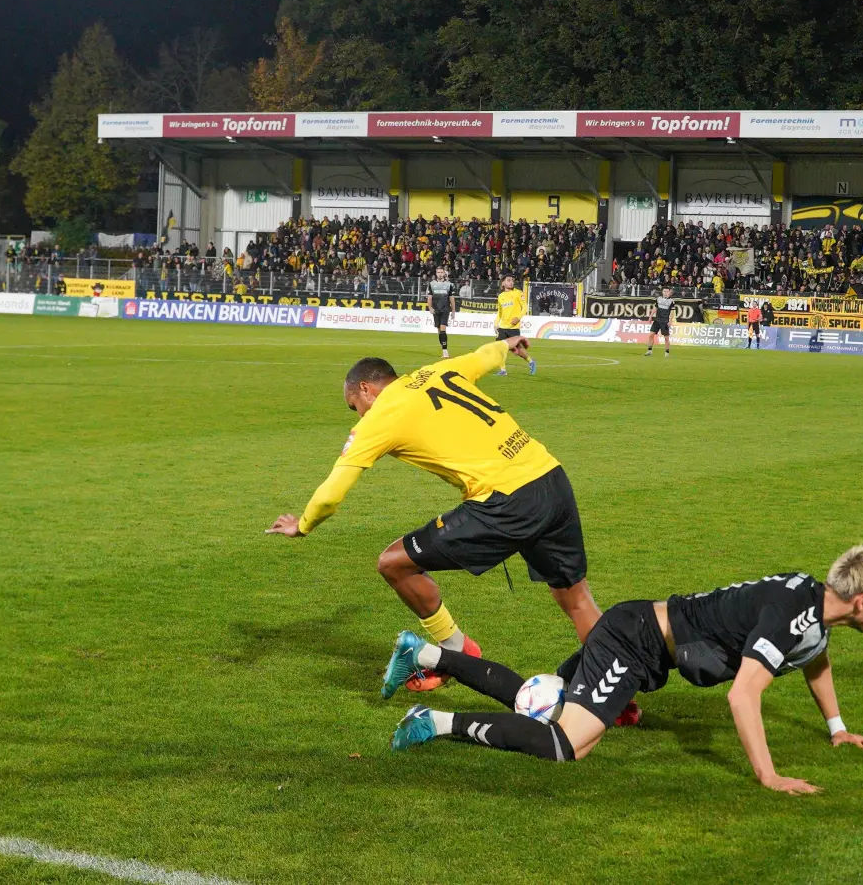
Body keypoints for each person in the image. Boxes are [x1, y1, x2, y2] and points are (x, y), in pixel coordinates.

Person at [266, 339, 633, 712]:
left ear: (366, 389)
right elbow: (484, 357)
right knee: (576, 598)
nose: (358, 416)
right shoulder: (436, 371)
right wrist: (508, 343)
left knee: (393, 563)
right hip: (550, 478)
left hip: (504, 502)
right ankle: (617, 700)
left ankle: (455, 647)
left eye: (354, 407)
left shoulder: (380, 416)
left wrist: (304, 525)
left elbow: (331, 494)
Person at [384, 545, 863, 794]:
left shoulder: (810, 604)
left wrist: (838, 729)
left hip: (642, 639)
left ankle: (425, 653)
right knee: (566, 744)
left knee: (538, 704)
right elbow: (743, 696)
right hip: (633, 641)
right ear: (862, 600)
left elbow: (815, 659)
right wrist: (769, 775)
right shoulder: (794, 616)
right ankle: (433, 720)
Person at [493, 275, 534, 377]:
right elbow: (500, 312)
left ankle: (531, 362)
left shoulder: (518, 293)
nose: (511, 282)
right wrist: (495, 324)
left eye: (512, 280)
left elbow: (525, 307)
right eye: (509, 280)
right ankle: (503, 370)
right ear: (503, 283)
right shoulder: (501, 296)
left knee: (517, 350)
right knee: (499, 348)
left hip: (513, 328)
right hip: (502, 327)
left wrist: (518, 318)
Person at [427, 267, 455, 358]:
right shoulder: (431, 284)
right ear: (436, 273)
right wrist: (430, 308)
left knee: (443, 329)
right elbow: (429, 298)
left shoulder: (449, 285)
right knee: (439, 331)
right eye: (438, 272)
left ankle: (445, 351)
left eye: (441, 272)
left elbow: (451, 298)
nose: (440, 274)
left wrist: (453, 311)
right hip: (436, 310)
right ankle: (443, 348)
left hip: (445, 310)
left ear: (444, 273)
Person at [644, 287, 675, 356]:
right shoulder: (658, 299)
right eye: (665, 291)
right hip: (657, 320)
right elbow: (655, 308)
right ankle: (649, 351)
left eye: (667, 291)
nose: (666, 293)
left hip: (665, 321)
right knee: (651, 335)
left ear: (669, 292)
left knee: (666, 338)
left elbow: (672, 312)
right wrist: (650, 316)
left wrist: (670, 321)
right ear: (662, 292)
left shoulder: (671, 301)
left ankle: (667, 353)